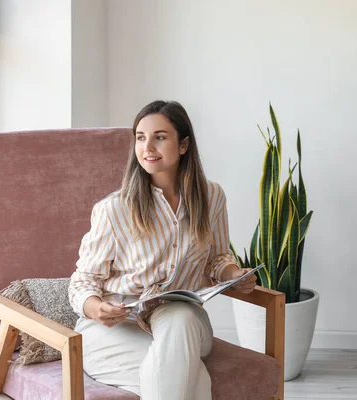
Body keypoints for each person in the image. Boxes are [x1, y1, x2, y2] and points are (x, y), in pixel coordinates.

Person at [68, 100, 257, 400]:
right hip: (116, 329)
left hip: (185, 323)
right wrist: (96, 308)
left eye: (159, 137)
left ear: (183, 145)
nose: (147, 147)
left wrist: (236, 274)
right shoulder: (114, 210)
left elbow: (218, 259)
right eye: (140, 138)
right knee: (194, 378)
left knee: (179, 318)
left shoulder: (212, 198)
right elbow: (82, 281)